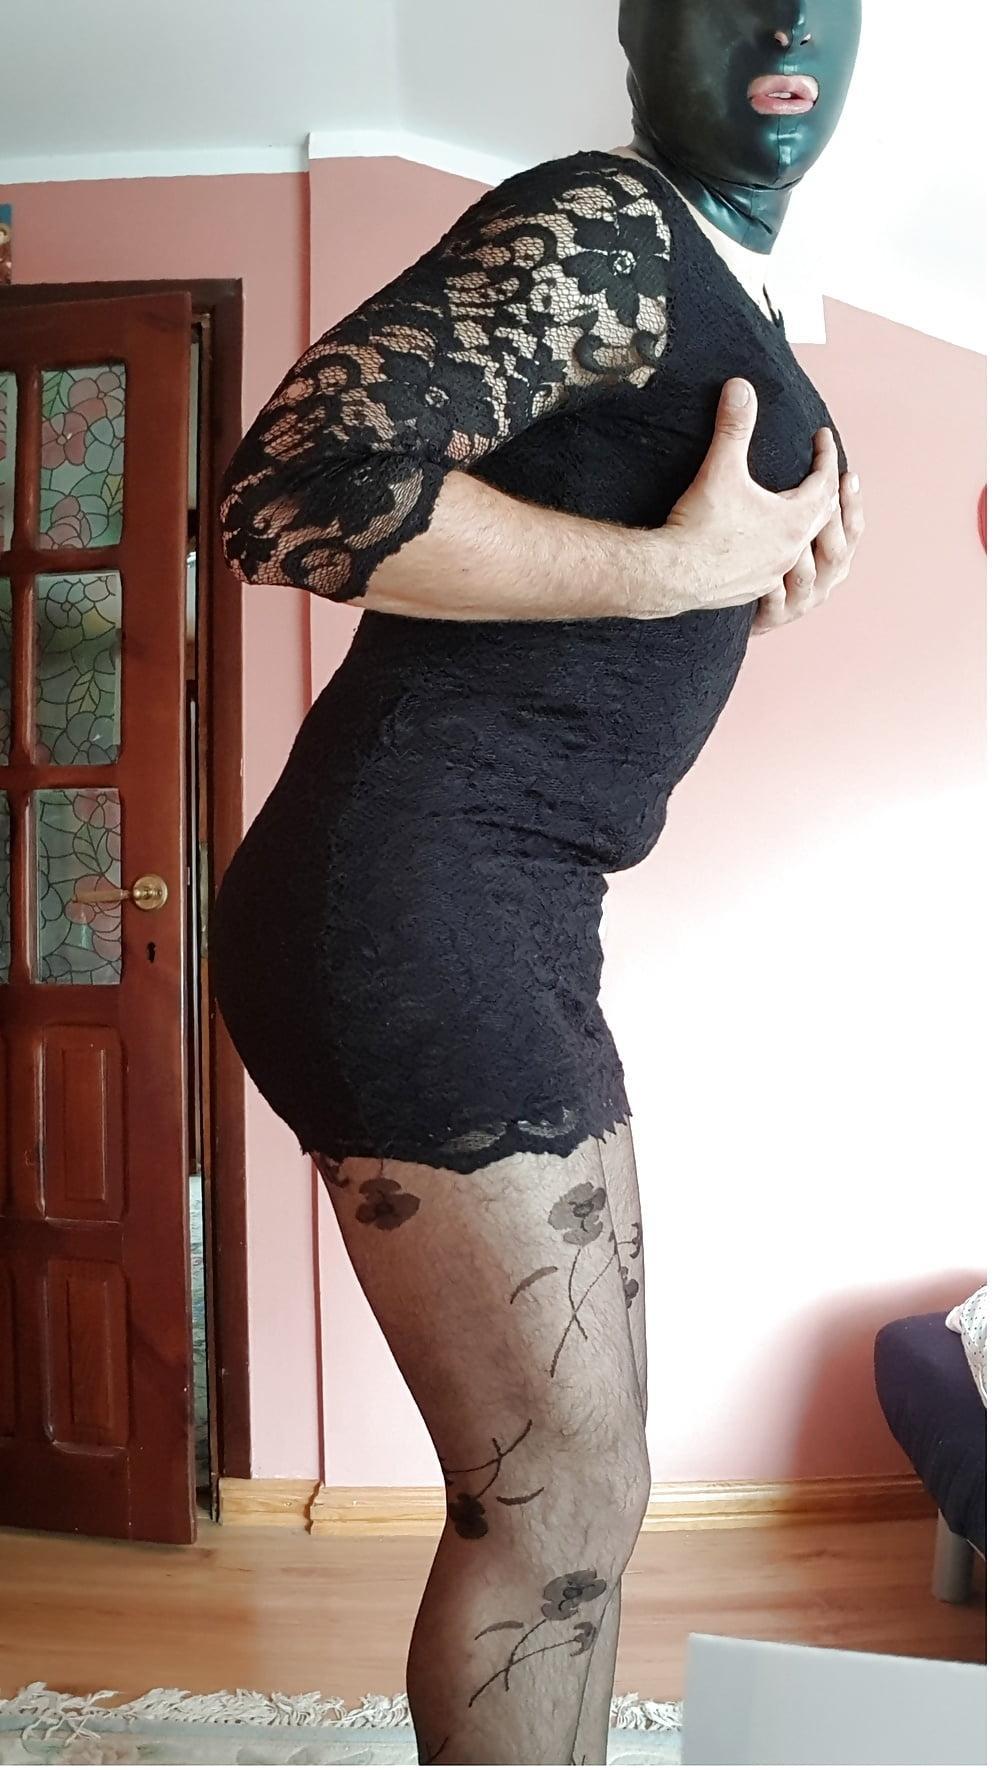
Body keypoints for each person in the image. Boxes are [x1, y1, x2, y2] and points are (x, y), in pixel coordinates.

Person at [212, 2, 864, 1760]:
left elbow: (645, 560)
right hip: (413, 887)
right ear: (640, 29)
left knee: (590, 1483)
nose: (788, 17)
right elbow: (290, 491)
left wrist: (748, 577)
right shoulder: (608, 222)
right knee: (553, 1496)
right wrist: (671, 575)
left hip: (513, 903)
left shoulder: (726, 288)